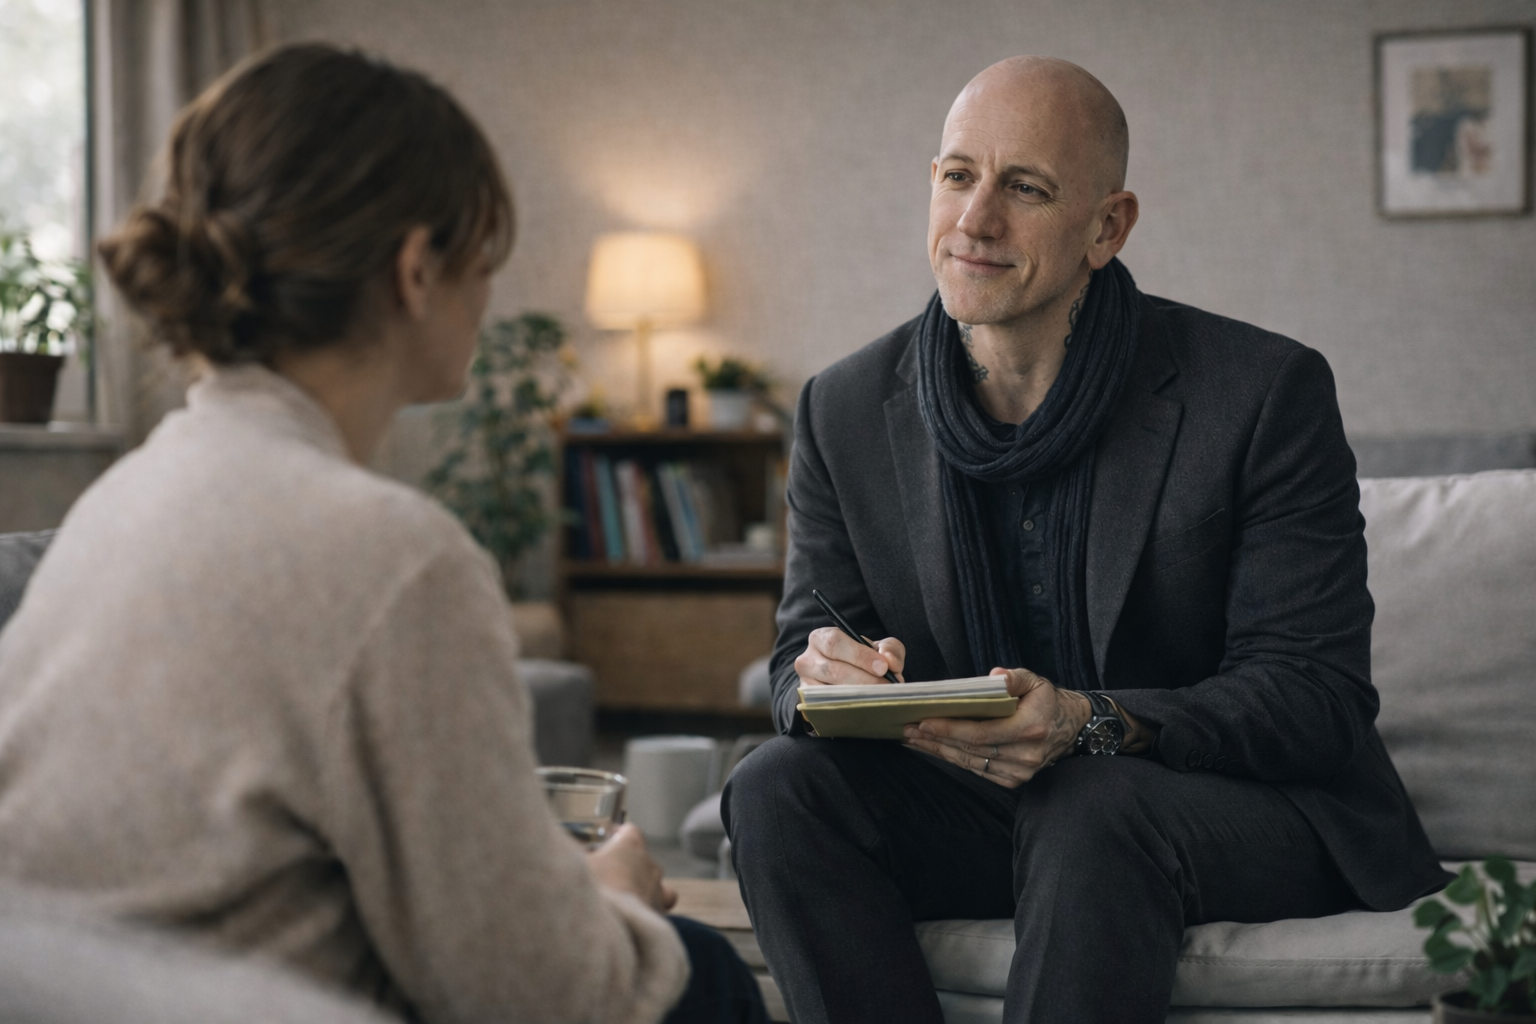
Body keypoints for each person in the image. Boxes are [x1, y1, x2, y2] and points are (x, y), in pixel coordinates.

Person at [0, 44, 765, 1024]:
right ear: (415, 269)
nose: (490, 292)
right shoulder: (397, 557)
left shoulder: (121, 502)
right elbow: (532, 990)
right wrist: (611, 899)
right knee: (701, 970)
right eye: (484, 255)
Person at [722, 56, 1449, 1024]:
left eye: (1024, 188)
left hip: (1237, 807)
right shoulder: (843, 408)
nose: (975, 220)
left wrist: (1090, 720)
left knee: (1090, 799)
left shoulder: (1261, 392)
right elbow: (791, 665)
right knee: (774, 787)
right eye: (956, 175)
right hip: (985, 806)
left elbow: (1315, 699)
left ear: (1107, 225)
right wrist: (825, 678)